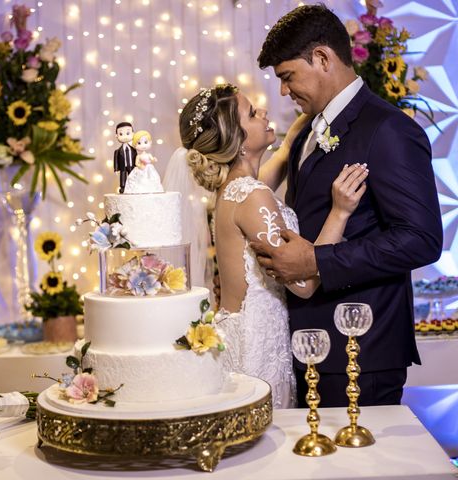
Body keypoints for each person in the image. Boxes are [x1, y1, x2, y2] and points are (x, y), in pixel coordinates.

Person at [252, 4, 443, 407]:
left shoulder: (389, 129)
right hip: (309, 344)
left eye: (287, 77)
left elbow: (421, 239)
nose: (283, 91)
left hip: (361, 349)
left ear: (322, 58)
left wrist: (318, 262)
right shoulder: (306, 132)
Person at [177, 84, 368, 408]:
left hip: (241, 332)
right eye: (252, 113)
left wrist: (288, 143)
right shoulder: (252, 196)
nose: (263, 112)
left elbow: (264, 180)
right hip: (258, 343)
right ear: (237, 142)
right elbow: (305, 283)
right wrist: (340, 211)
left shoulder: (235, 190)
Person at [113, 122, 136, 193]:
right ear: (116, 136)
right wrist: (116, 169)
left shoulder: (135, 149)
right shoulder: (117, 151)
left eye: (128, 133)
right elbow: (116, 161)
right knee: (123, 177)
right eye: (121, 134)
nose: (125, 136)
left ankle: (134, 187)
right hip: (123, 167)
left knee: (133, 177)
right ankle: (123, 187)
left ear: (133, 133)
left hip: (132, 166)